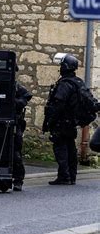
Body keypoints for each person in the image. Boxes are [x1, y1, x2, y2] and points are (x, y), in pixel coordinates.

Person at [43, 53, 81, 186]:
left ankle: (64, 176)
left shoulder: (65, 84)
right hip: (71, 122)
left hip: (61, 122)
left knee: (60, 148)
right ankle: (71, 176)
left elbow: (58, 103)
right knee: (70, 148)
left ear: (65, 67)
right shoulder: (76, 82)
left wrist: (50, 120)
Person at [12, 71, 32, 191]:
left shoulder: (17, 87)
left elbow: (25, 98)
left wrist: (13, 101)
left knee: (15, 152)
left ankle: (18, 179)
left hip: (14, 124)